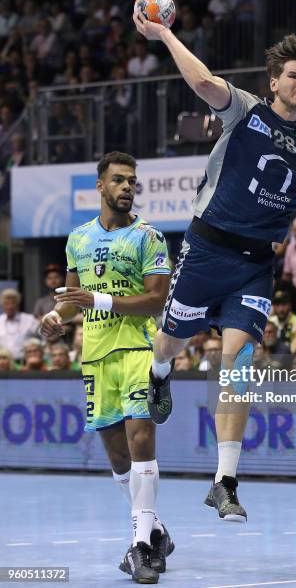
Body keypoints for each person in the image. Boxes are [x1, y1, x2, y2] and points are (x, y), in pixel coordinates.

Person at [131, 15, 296, 521]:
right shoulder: (247, 111)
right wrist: (164, 33)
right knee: (170, 341)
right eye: (295, 76)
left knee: (237, 369)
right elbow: (204, 83)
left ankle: (224, 482)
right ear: (273, 81)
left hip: (256, 265)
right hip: (207, 250)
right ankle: (159, 372)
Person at [40, 152, 173, 584]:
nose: (127, 187)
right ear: (100, 186)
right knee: (118, 459)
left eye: (132, 181)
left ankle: (138, 548)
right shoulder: (77, 238)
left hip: (138, 349)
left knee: (141, 442)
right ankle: (154, 531)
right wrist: (58, 318)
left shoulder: (148, 236)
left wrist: (97, 301)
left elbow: (157, 300)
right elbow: (74, 296)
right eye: (118, 180)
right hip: (95, 356)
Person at [0, 288, 38, 362]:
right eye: (6, 303)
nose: (10, 306)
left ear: (18, 304)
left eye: (13, 303)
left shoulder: (29, 319)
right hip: (3, 363)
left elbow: (44, 335)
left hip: (25, 361)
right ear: (2, 305)